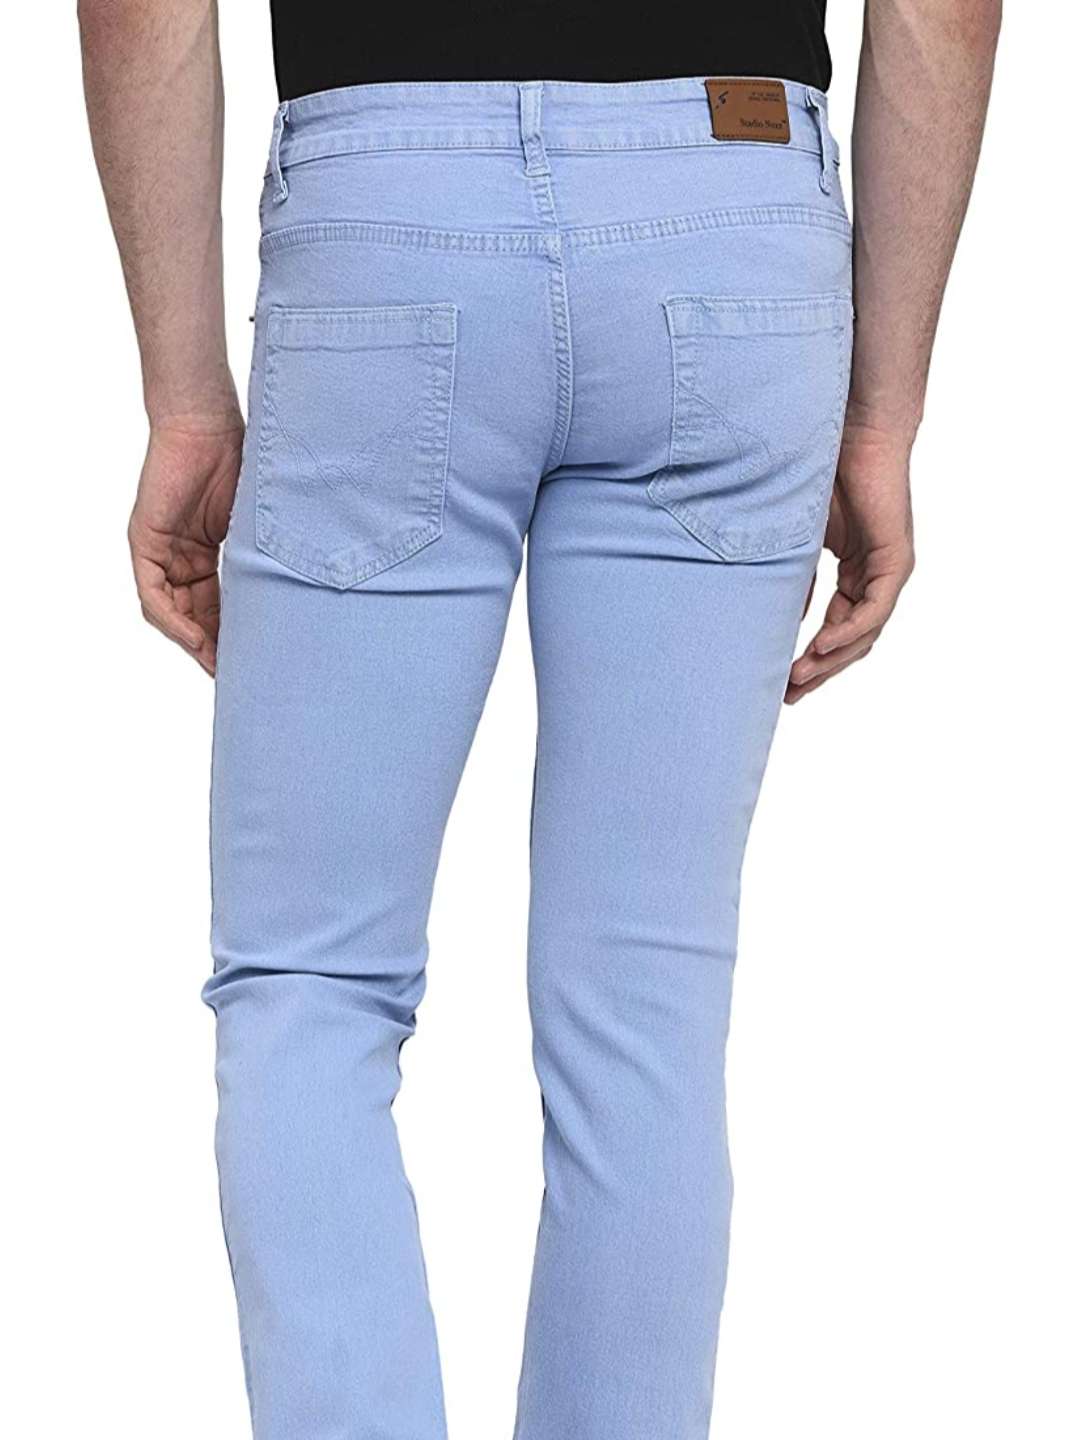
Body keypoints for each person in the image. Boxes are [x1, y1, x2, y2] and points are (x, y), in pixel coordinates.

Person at [78, 2, 1000, 1436]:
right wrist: (881, 416)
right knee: (644, 1005)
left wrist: (187, 401)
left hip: (388, 214)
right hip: (729, 197)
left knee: (310, 985)